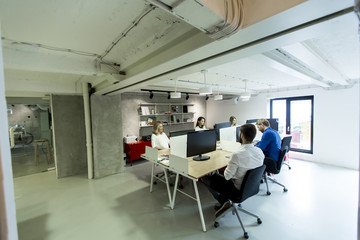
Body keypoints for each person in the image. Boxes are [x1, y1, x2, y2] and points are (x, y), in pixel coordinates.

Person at [202, 123, 264, 218]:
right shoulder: (260, 152)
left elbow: (227, 176)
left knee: (206, 177)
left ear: (242, 135)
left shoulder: (237, 155)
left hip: (237, 190)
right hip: (250, 187)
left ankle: (224, 202)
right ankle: (225, 201)